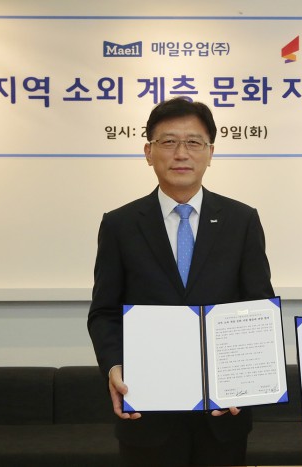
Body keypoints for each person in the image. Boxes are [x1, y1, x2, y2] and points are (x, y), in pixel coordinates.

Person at [87, 97, 274, 467]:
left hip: (223, 413)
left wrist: (246, 381)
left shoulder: (241, 221)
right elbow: (104, 312)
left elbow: (257, 308)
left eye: (193, 142)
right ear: (148, 152)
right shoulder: (120, 224)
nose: (181, 153)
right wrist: (113, 366)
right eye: (169, 141)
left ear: (210, 153)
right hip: (146, 412)